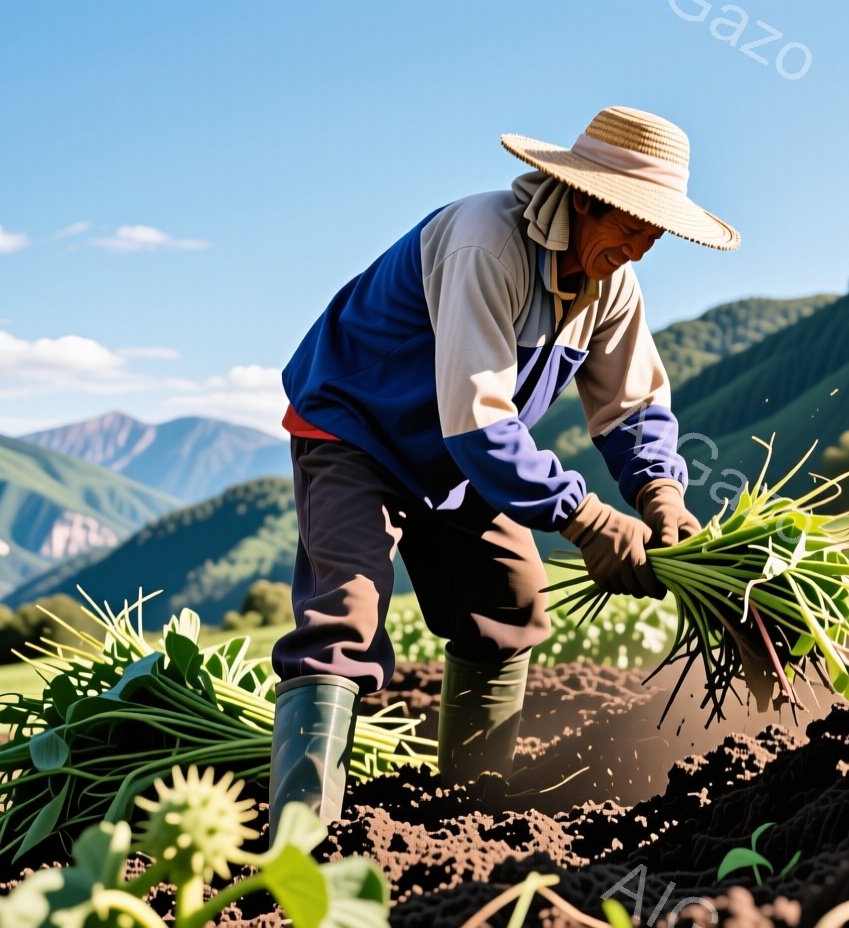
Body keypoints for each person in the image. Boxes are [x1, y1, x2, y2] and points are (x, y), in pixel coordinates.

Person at [267, 106, 739, 833]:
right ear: (585, 197)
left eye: (657, 233)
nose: (643, 248)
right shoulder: (487, 242)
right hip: (358, 432)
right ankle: (300, 840)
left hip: (458, 461)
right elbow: (481, 422)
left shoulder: (610, 285)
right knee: (345, 619)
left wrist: (661, 495)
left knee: (509, 604)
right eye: (633, 225)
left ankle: (470, 813)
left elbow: (632, 408)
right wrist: (585, 517)